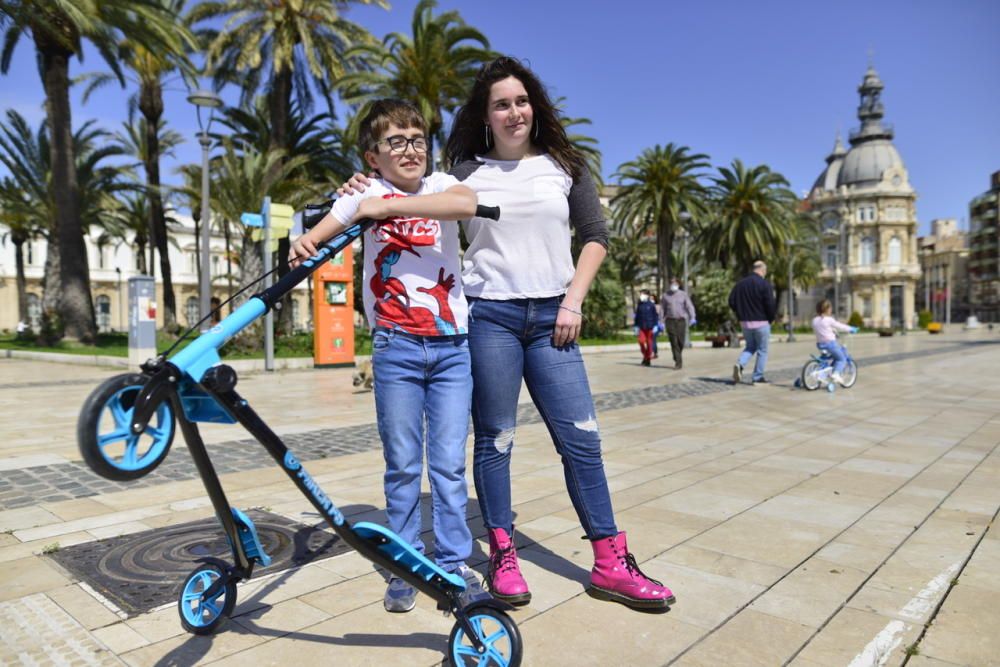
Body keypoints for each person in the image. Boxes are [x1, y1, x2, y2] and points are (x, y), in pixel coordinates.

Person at [339, 58, 673, 613]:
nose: (514, 111)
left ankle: (611, 561)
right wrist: (363, 186)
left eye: (522, 101)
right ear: (485, 115)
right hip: (489, 316)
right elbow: (406, 189)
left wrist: (573, 300)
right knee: (495, 440)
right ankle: (501, 551)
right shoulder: (463, 168)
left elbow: (594, 236)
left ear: (534, 106)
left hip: (554, 318)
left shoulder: (565, 164)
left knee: (582, 440)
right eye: (501, 104)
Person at [290, 99, 489, 613]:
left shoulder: (441, 186)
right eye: (395, 141)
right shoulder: (365, 192)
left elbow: (466, 205)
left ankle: (453, 563)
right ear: (371, 157)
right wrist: (304, 241)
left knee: (447, 465)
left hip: (451, 350)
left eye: (417, 139)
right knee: (402, 465)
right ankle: (404, 563)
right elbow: (316, 238)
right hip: (396, 349)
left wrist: (388, 209)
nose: (410, 150)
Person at [729, 260, 776, 384]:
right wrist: (771, 319)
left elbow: (731, 301)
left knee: (750, 347)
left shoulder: (740, 284)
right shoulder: (764, 284)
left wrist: (740, 313)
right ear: (762, 270)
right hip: (761, 323)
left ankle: (740, 364)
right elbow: (770, 304)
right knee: (762, 350)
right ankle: (757, 377)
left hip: (745, 323)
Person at [812, 299, 857, 383]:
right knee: (841, 359)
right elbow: (840, 326)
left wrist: (833, 331)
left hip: (820, 345)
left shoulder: (815, 320)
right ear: (827, 309)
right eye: (830, 308)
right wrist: (851, 328)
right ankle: (836, 374)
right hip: (830, 345)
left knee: (833, 358)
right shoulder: (829, 319)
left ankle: (823, 374)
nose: (831, 310)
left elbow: (824, 329)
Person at [660, 279, 696, 369]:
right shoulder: (665, 296)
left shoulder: (683, 295)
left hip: (681, 321)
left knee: (681, 341)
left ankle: (676, 355)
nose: (673, 285)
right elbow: (662, 309)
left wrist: (693, 317)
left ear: (679, 284)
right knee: (673, 341)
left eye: (675, 283)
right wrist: (660, 321)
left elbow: (689, 306)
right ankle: (678, 362)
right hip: (670, 320)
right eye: (672, 283)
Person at [633, 289, 659, 366]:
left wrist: (656, 325)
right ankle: (646, 357)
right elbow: (637, 316)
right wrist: (636, 326)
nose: (641, 295)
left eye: (642, 294)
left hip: (650, 327)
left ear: (647, 295)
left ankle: (646, 359)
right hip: (641, 327)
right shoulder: (640, 305)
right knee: (641, 341)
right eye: (640, 294)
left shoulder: (651, 305)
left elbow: (655, 316)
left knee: (649, 343)